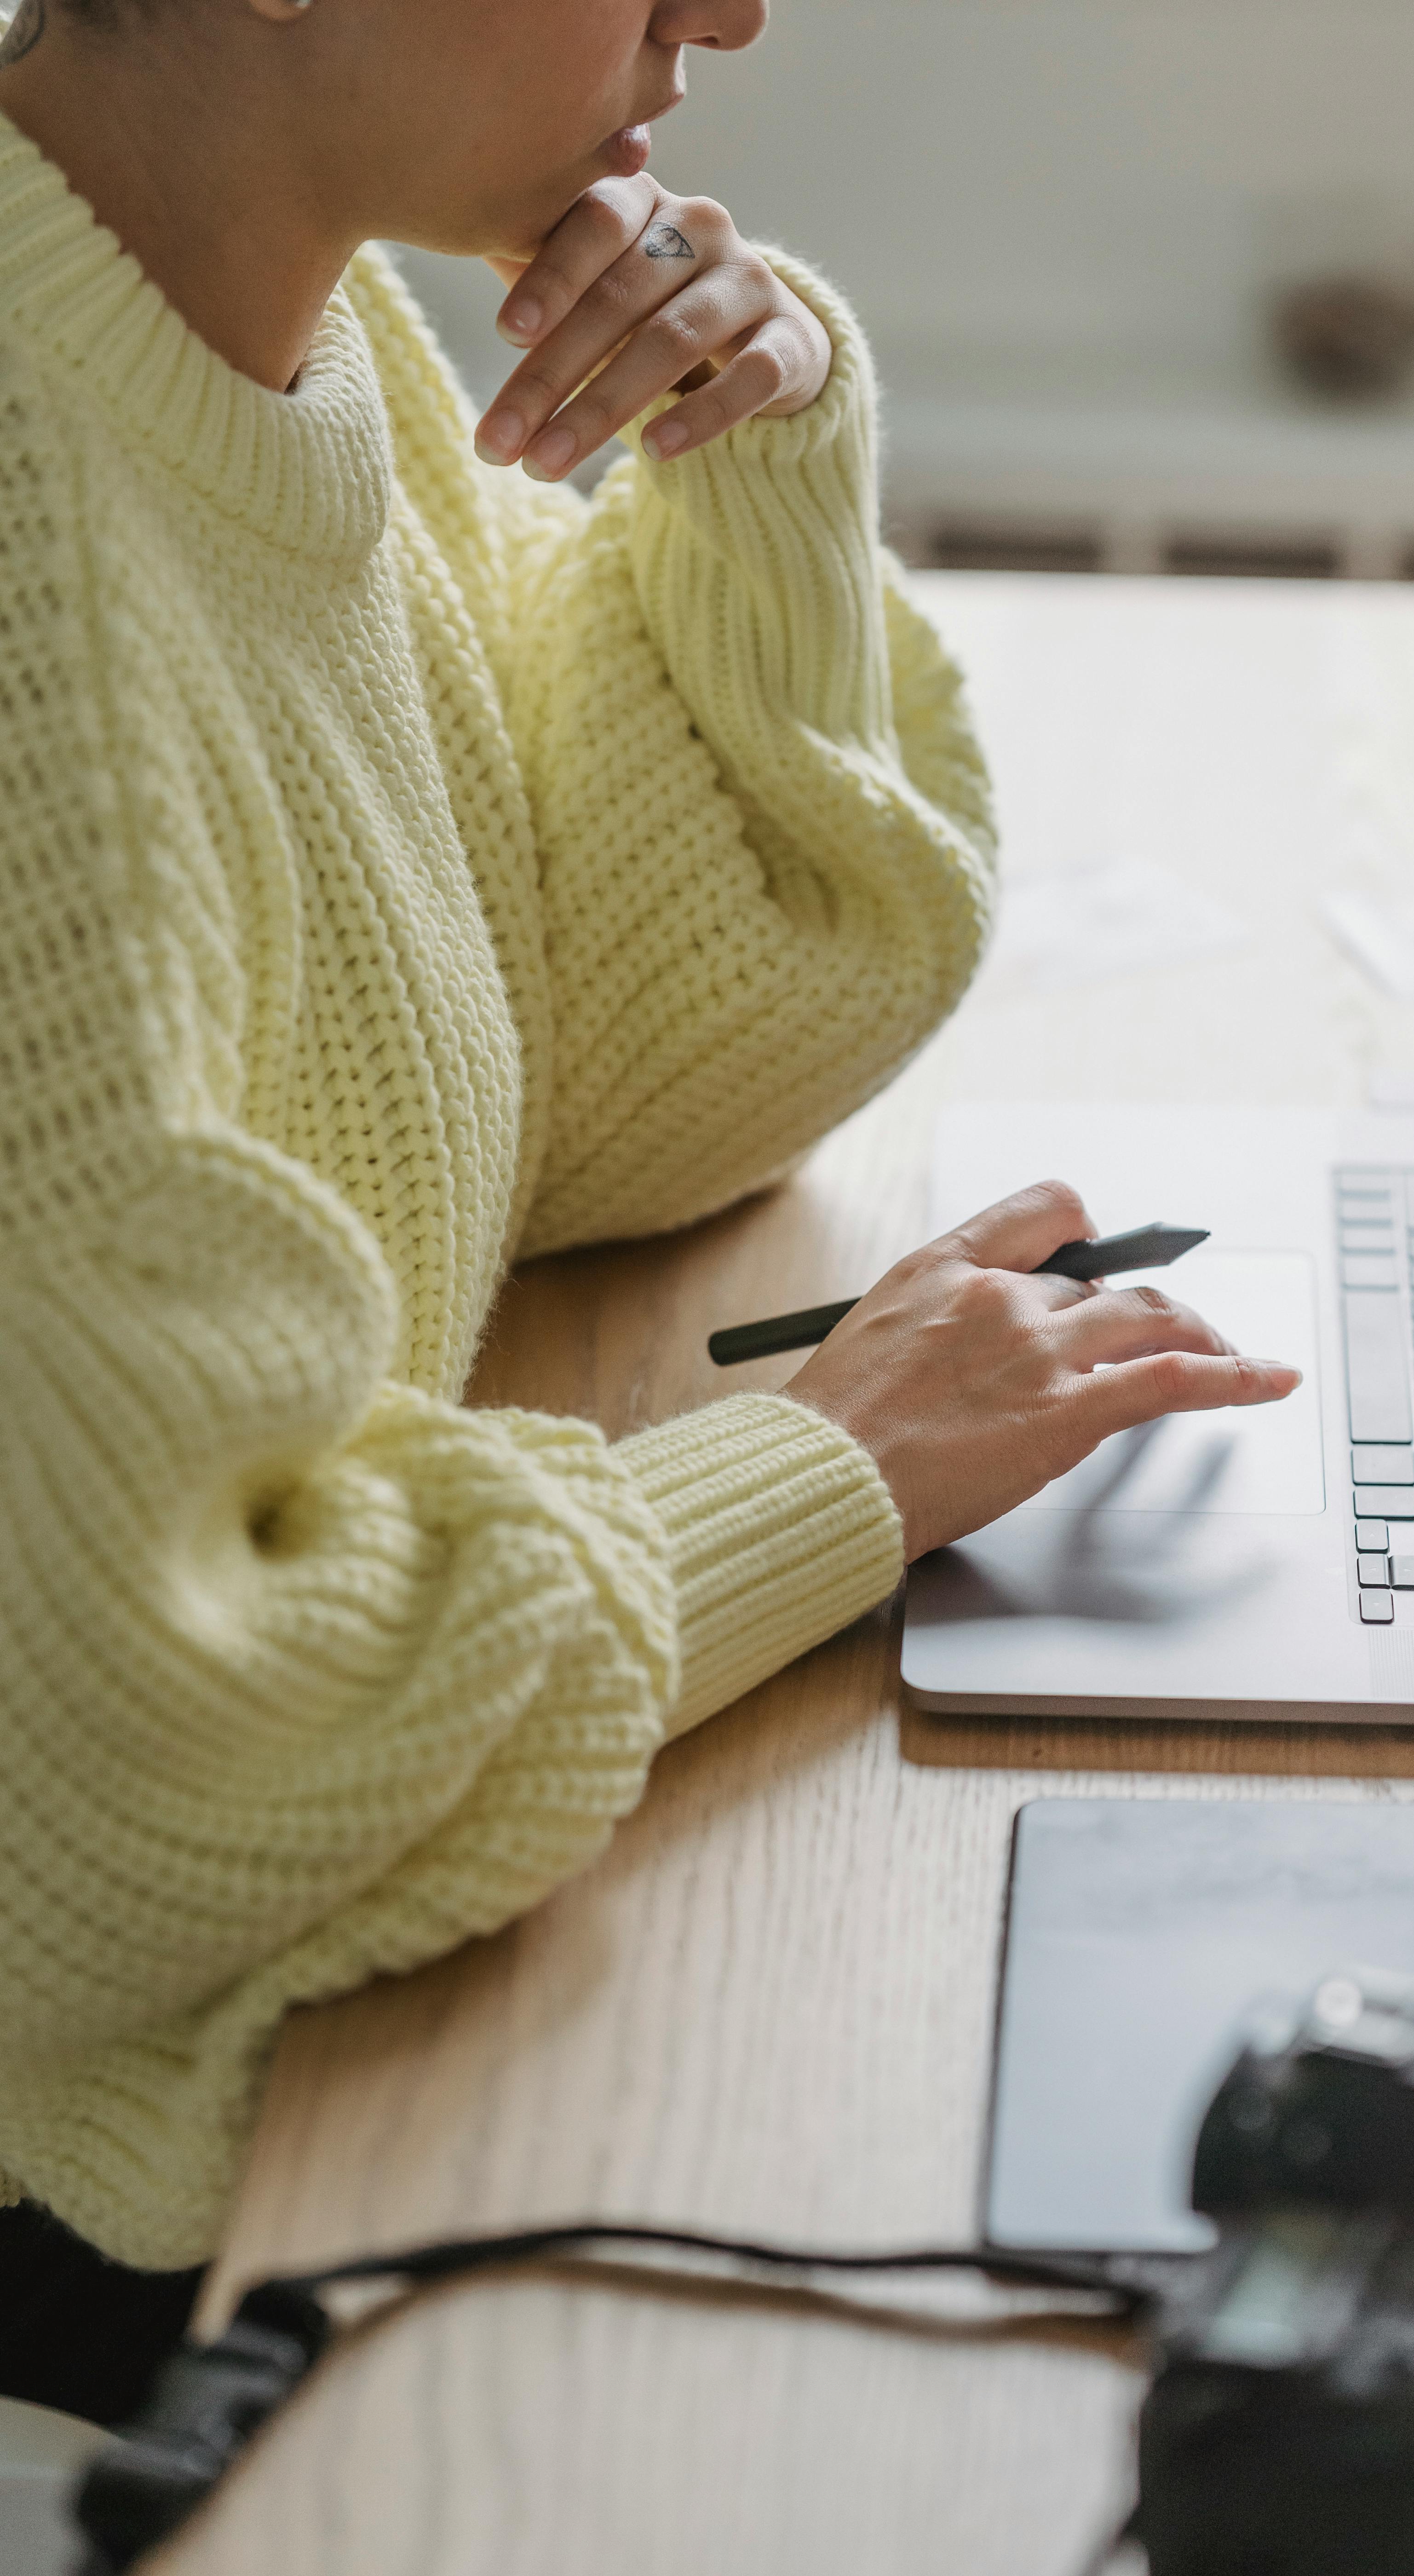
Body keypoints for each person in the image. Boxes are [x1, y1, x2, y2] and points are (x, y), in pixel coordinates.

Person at [0, 0, 1299, 2421]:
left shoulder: (277, 334)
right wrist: (822, 1475)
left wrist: (756, 459)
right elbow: (128, 1734)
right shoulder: (29, 573)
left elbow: (631, 1060)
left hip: (334, 1855)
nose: (727, 9)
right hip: (90, 2103)